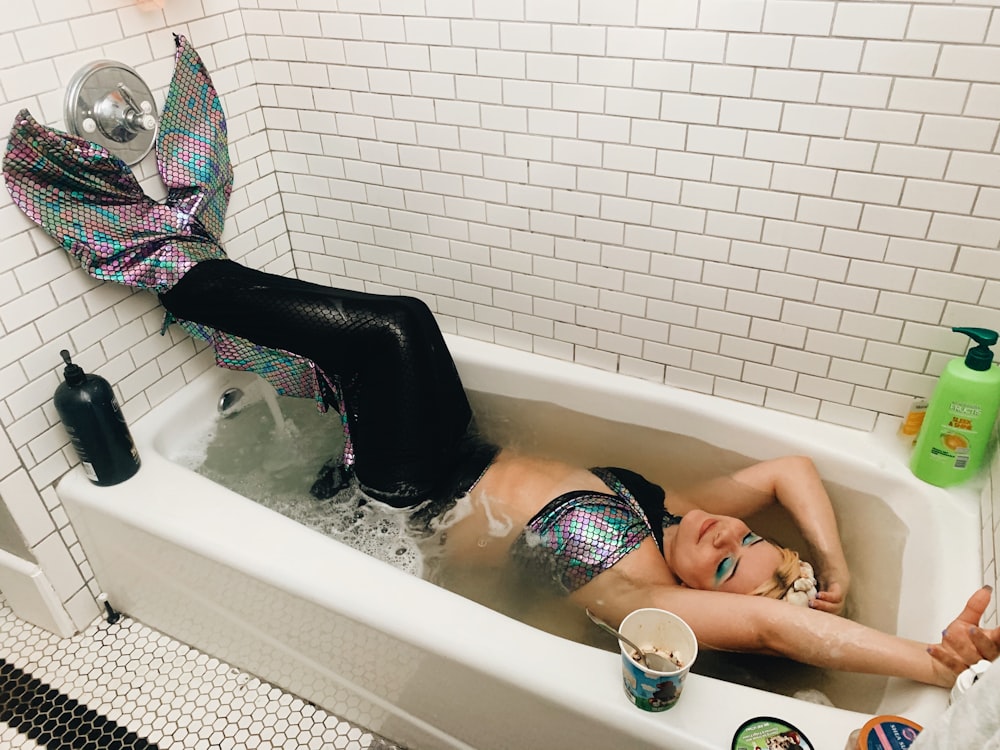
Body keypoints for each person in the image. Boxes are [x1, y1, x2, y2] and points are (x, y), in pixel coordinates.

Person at [4, 35, 998, 691]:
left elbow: (785, 635)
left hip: (411, 494)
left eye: (735, 562)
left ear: (711, 610)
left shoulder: (641, 598)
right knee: (403, 329)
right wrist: (829, 561)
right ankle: (191, 272)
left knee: (392, 331)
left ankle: (166, 265)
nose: (730, 530)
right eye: (749, 538)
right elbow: (793, 472)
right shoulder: (672, 513)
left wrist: (932, 663)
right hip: (451, 455)